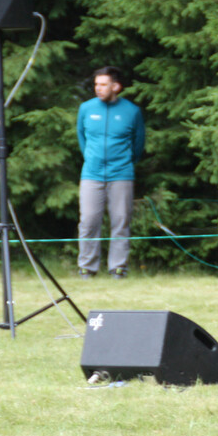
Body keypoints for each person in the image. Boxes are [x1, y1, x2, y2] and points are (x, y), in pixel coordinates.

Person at [77, 66, 145, 279]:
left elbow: (138, 143)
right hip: (91, 174)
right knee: (88, 220)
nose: (98, 88)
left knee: (120, 221)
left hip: (121, 174)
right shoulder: (86, 109)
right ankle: (87, 268)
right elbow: (82, 138)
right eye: (96, 84)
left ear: (116, 86)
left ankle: (118, 268)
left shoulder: (132, 111)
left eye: (103, 84)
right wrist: (91, 159)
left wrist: (125, 163)